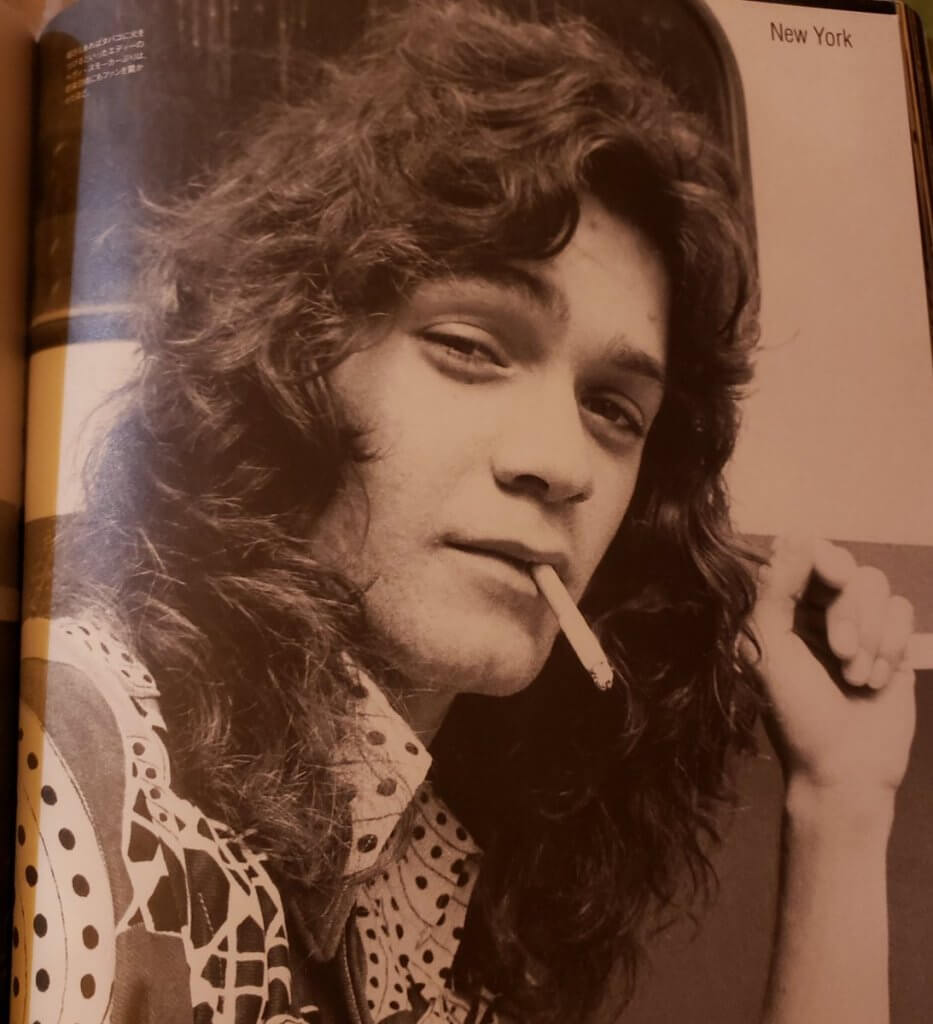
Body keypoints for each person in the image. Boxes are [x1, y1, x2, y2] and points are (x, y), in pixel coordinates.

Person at [14, 3, 916, 1023]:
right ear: (293, 366)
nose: (560, 462)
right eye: (470, 347)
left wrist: (842, 800)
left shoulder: (433, 884)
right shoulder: (71, 774)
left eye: (614, 408)